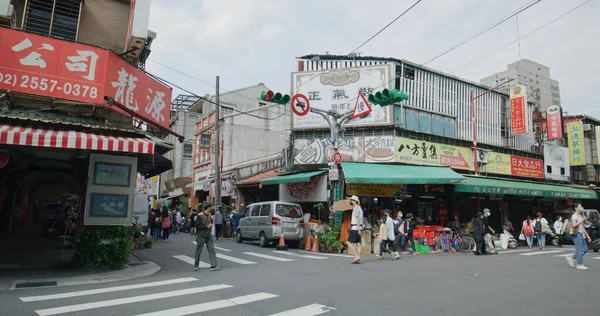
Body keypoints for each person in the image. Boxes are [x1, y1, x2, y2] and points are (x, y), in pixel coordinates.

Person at [194, 203, 220, 271]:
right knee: (198, 251)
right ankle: (196, 265)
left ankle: (213, 266)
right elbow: (197, 225)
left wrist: (211, 223)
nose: (211, 208)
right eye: (211, 207)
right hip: (201, 235)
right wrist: (206, 226)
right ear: (208, 208)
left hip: (208, 235)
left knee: (212, 250)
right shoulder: (200, 215)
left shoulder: (210, 215)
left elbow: (211, 222)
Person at [566, 204, 591, 270]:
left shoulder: (580, 215)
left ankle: (572, 257)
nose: (582, 207)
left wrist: (588, 236)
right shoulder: (574, 216)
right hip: (575, 234)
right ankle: (579, 264)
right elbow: (574, 225)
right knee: (580, 249)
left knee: (585, 249)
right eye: (580, 206)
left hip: (581, 233)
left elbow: (582, 227)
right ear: (576, 208)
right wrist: (583, 220)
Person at [347, 195, 364, 264]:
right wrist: (359, 229)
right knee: (358, 243)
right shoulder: (360, 208)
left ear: (355, 201)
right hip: (359, 227)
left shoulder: (356, 208)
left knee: (348, 242)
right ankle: (358, 258)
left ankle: (356, 256)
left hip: (355, 228)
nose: (351, 201)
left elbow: (357, 218)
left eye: (352, 200)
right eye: (351, 200)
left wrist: (358, 229)